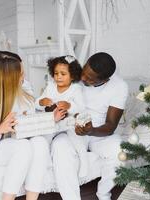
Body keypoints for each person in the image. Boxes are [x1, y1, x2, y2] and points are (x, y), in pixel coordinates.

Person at [0, 51, 66, 200]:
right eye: (20, 75)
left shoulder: (22, 93)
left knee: (39, 143)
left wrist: (49, 120)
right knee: (23, 147)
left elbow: (30, 124)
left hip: (15, 141)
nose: (23, 78)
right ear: (7, 79)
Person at [51, 52, 129, 200]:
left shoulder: (119, 86)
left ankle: (104, 194)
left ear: (105, 79)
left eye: (90, 79)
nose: (83, 78)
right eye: (84, 71)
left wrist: (91, 130)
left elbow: (111, 126)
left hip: (97, 133)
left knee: (119, 151)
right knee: (59, 146)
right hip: (70, 128)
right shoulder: (75, 73)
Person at [35, 55, 89, 178]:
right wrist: (41, 102)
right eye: (56, 73)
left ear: (73, 76)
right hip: (52, 120)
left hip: (68, 121)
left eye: (63, 74)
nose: (58, 76)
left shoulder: (76, 89)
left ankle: (84, 159)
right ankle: (47, 161)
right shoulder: (50, 87)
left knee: (75, 137)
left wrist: (69, 105)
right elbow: (36, 104)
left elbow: (81, 107)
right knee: (45, 137)